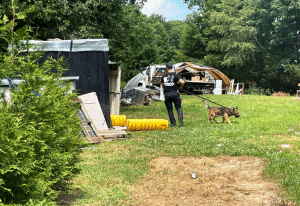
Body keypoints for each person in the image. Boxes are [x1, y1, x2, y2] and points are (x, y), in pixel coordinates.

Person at [161, 63, 185, 127]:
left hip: (167, 95)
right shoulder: (175, 75)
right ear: (172, 67)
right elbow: (182, 82)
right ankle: (180, 120)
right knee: (178, 107)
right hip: (175, 94)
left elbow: (162, 86)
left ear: (166, 68)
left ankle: (173, 123)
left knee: (170, 109)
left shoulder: (163, 76)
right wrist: (180, 87)